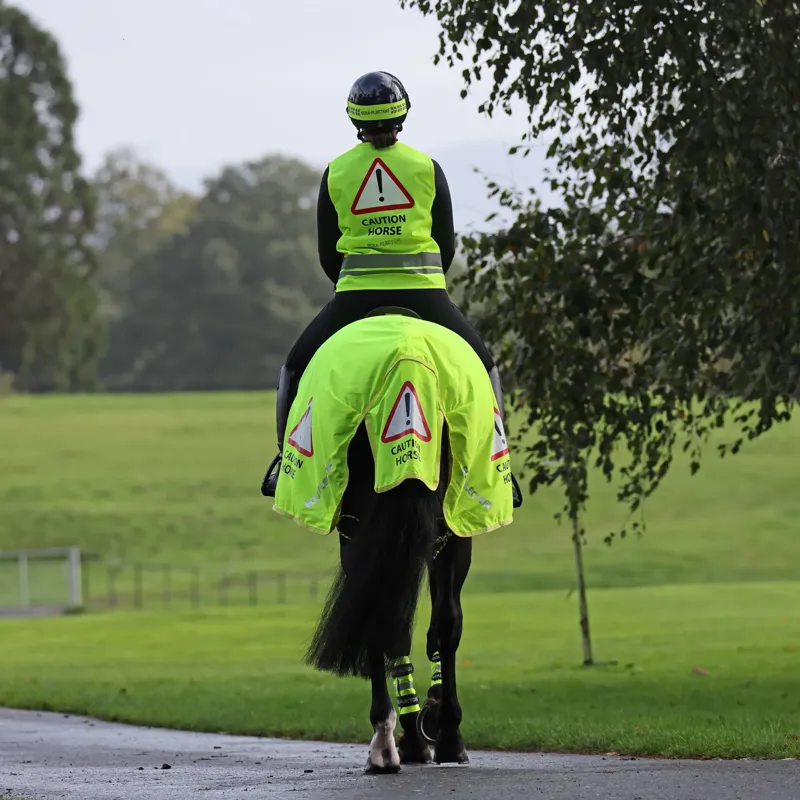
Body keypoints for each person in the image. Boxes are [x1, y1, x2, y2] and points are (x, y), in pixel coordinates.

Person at [262, 70, 521, 507]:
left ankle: (284, 462)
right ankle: (502, 467)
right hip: (425, 294)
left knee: (294, 368)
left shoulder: (338, 172)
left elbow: (329, 254)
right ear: (403, 114)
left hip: (355, 297)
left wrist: (353, 282)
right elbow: (447, 245)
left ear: (354, 119)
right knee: (485, 365)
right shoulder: (426, 168)